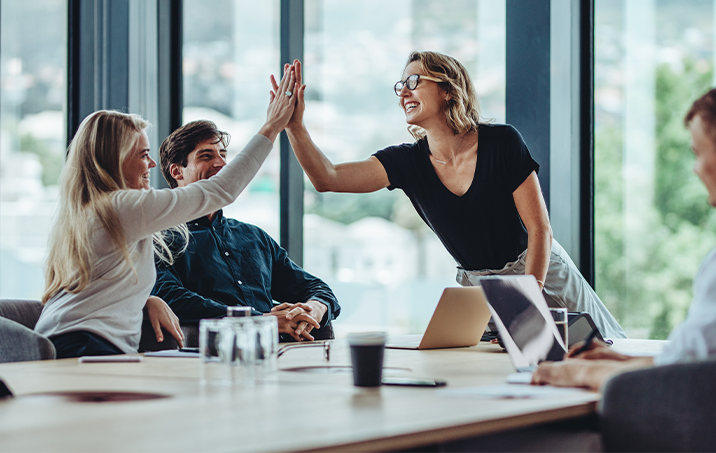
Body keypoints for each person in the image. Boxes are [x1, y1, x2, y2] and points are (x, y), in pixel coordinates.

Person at [280, 51, 625, 338]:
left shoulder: (502, 142)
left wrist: (526, 299)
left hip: (540, 272)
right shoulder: (406, 163)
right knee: (506, 374)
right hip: (481, 290)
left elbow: (540, 230)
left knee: (603, 351)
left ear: (448, 89)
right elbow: (327, 178)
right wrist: (294, 126)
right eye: (400, 86)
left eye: (414, 82)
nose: (403, 93)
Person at [532, 78, 716, 390]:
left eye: (698, 153)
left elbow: (680, 377)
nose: (696, 168)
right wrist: (622, 361)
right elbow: (697, 358)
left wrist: (576, 373)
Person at [34, 66, 298, 358]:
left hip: (66, 340)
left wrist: (147, 300)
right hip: (83, 345)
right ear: (115, 159)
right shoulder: (121, 207)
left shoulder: (92, 211)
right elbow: (221, 190)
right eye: (143, 155)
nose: (151, 164)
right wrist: (272, 126)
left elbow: (99, 286)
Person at [152, 120, 341, 342]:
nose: (222, 163)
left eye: (223, 154)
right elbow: (169, 297)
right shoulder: (160, 239)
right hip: (211, 353)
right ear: (177, 171)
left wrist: (314, 308)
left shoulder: (254, 236)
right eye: (206, 156)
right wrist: (259, 320)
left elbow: (316, 287)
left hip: (279, 352)